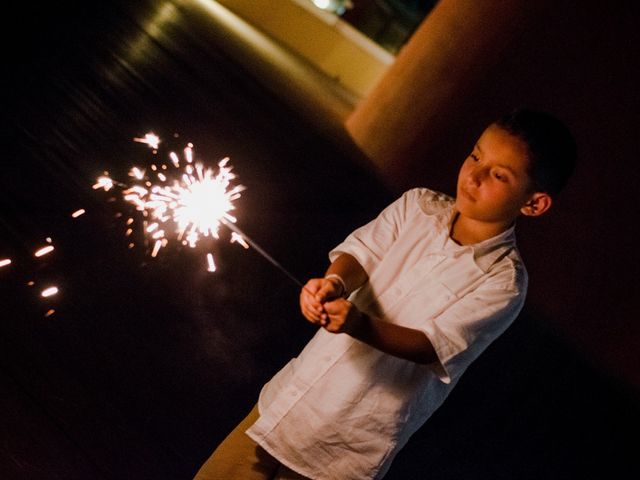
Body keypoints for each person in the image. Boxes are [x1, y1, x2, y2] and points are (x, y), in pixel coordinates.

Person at [193, 108, 577, 480]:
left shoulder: (503, 282)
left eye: (497, 174)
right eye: (475, 155)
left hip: (346, 445)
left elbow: (432, 346)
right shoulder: (417, 206)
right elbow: (360, 254)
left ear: (534, 202)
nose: (473, 175)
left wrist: (358, 324)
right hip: (289, 402)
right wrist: (333, 284)